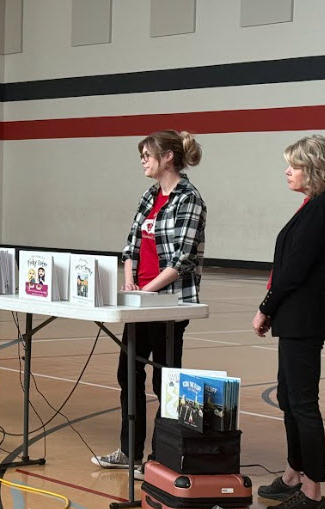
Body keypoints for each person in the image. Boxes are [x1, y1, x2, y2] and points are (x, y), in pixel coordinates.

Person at [93, 130, 206, 471]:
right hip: (140, 302)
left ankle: (161, 460)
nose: (143, 160)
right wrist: (130, 280)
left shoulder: (189, 199)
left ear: (168, 157)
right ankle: (129, 452)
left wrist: (149, 291)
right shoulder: (149, 195)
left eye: (148, 154)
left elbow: (182, 259)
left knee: (165, 382)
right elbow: (130, 245)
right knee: (128, 373)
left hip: (169, 303)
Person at [253, 135, 325, 509]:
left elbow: (293, 270)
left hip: (304, 317)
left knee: (303, 403)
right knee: (289, 395)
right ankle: (294, 473)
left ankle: (312, 493)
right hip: (298, 317)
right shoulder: (315, 204)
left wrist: (266, 307)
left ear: (313, 168)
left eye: (294, 165)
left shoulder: (322, 207)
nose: (287, 171)